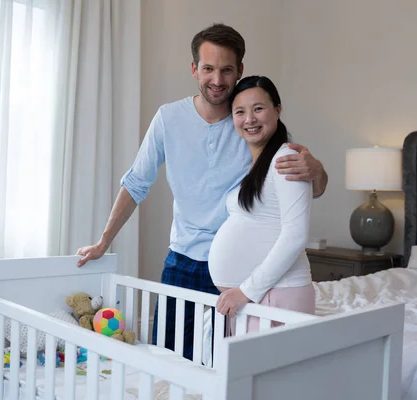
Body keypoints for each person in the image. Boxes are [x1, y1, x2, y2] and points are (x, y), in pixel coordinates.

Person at [76, 23, 328, 360]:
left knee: (224, 367)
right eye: (208, 69)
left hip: (242, 274)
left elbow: (300, 186)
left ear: (240, 70)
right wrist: (104, 241)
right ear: (195, 69)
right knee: (166, 357)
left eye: (226, 70)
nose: (218, 80)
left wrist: (319, 171)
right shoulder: (169, 118)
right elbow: (136, 182)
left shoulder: (252, 126)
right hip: (183, 258)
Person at [210, 75, 315, 334]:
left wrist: (246, 291)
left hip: (275, 296)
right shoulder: (255, 165)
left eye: (258, 109)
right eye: (240, 112)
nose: (249, 119)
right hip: (256, 299)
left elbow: (295, 236)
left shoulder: (286, 159)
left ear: (277, 110)